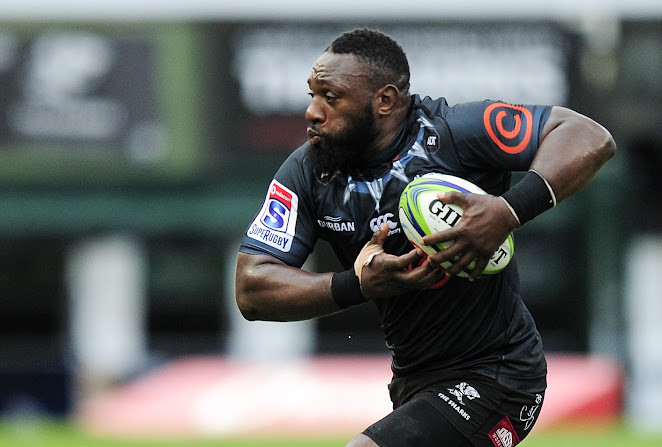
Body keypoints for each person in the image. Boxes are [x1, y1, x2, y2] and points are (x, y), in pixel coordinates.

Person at [234, 28, 615, 447]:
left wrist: (507, 211)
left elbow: (588, 136)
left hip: (499, 376)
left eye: (331, 97)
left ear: (385, 100)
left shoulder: (457, 133)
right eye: (312, 94)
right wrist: (355, 286)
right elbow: (252, 287)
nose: (312, 111)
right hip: (413, 382)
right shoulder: (309, 171)